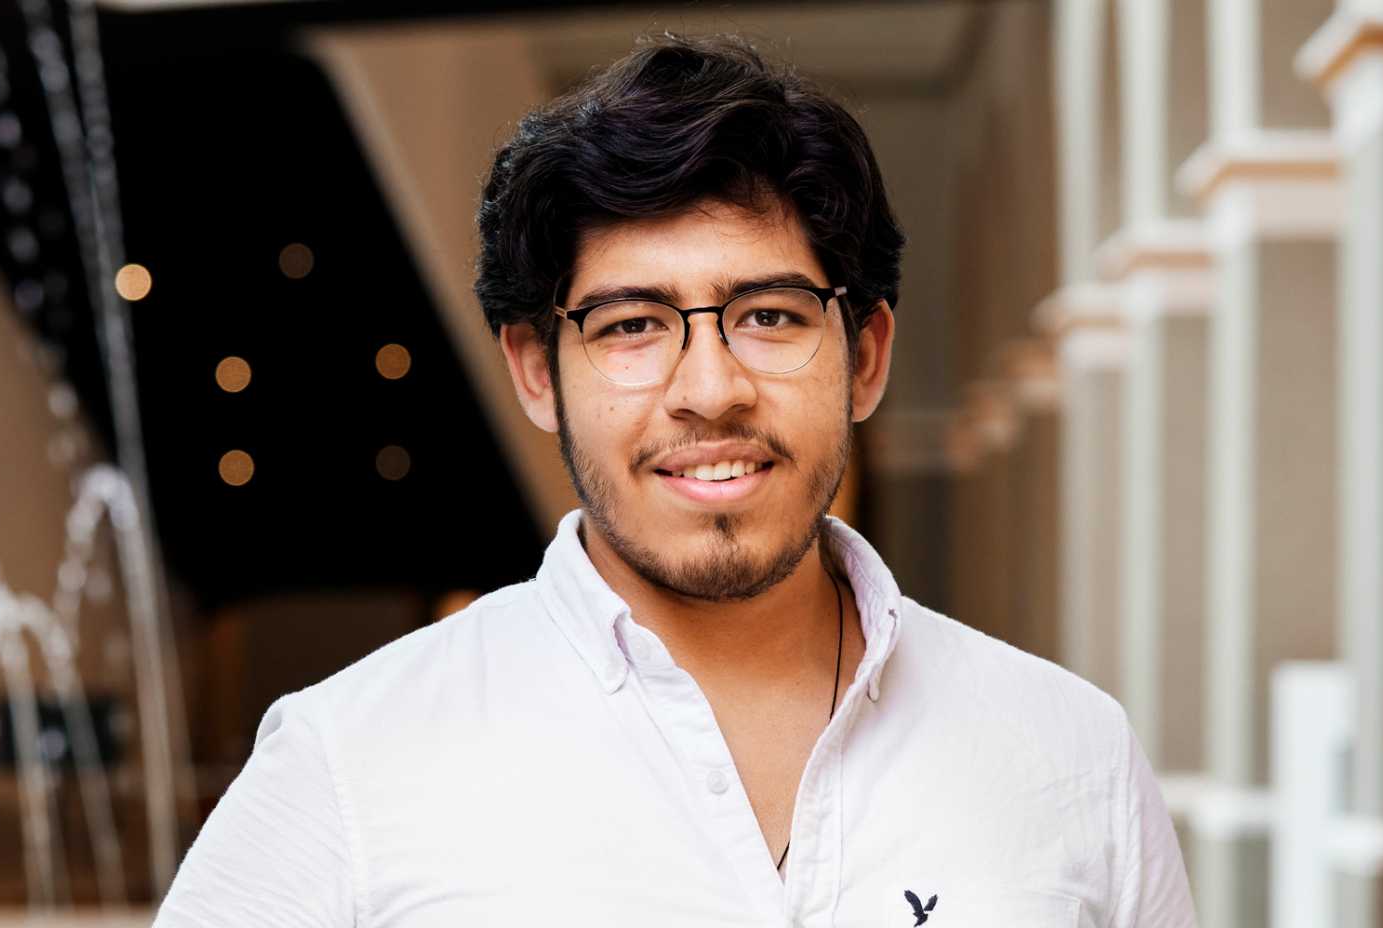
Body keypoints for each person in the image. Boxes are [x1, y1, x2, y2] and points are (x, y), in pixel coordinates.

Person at [154, 32, 1194, 927]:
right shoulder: (347, 759)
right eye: (633, 326)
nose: (709, 389)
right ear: (535, 371)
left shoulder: (1071, 753)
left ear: (867, 354)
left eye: (772, 315)